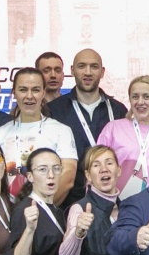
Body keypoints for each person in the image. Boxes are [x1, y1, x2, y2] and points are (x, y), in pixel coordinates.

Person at [47, 48, 127, 206]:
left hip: (112, 203)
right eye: (82, 66)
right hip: (68, 204)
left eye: (94, 67)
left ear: (102, 72)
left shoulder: (118, 110)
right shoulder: (53, 111)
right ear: (72, 70)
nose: (88, 72)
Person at [0, 67, 78, 205]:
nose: (29, 96)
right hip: (7, 211)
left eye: (36, 90)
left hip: (47, 210)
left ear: (43, 93)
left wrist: (42, 209)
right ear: (14, 93)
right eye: (23, 90)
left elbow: (67, 177)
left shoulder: (61, 131)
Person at [97, 75, 149, 199]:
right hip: (117, 202)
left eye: (146, 97)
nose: (140, 102)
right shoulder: (113, 128)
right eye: (135, 96)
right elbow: (96, 167)